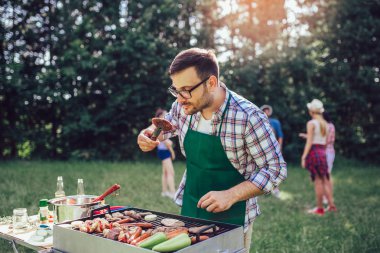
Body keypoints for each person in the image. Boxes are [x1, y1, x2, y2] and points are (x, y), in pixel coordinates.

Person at [137, 48, 287, 251]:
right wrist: (147, 134)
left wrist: (231, 195)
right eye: (176, 90)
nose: (180, 99)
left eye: (186, 90)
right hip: (190, 206)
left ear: (211, 83)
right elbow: (165, 127)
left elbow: (276, 169)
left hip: (233, 216)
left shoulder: (249, 117)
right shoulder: (184, 106)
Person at [300, 99, 336, 216]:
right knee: (325, 179)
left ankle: (320, 208)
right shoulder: (326, 124)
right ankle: (331, 205)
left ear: (311, 111)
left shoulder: (311, 123)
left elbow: (309, 141)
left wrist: (304, 157)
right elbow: (325, 143)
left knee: (318, 181)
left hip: (314, 151)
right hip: (323, 152)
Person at [260, 104, 284, 199]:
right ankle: (265, 189)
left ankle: (276, 188)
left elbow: (280, 136)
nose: (266, 112)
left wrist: (279, 147)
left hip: (274, 148)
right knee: (263, 169)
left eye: (267, 110)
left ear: (270, 112)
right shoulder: (259, 121)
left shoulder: (275, 122)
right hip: (262, 148)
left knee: (274, 168)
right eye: (264, 110)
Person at [155, 108, 176, 199]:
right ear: (160, 117)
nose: (167, 116)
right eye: (165, 115)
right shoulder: (160, 127)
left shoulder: (158, 127)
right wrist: (172, 152)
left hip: (161, 152)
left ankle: (164, 192)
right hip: (165, 152)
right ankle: (173, 193)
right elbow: (168, 143)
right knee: (171, 172)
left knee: (165, 173)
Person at [323, 111, 335, 204]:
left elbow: (326, 141)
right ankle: (325, 196)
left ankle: (327, 198)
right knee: (325, 175)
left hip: (327, 152)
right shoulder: (330, 125)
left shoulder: (328, 126)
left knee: (326, 175)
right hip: (328, 152)